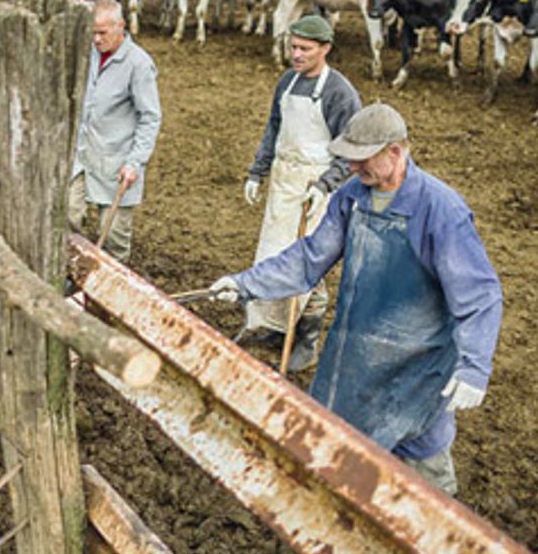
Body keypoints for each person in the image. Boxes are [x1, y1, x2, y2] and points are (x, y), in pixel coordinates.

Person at [209, 103, 501, 495]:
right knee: (337, 452)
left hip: (417, 367)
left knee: (422, 474)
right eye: (349, 160)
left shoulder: (440, 211)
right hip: (356, 355)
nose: (352, 169)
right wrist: (246, 283)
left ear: (395, 152)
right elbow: (310, 257)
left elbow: (479, 293)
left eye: (362, 160)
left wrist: (474, 367)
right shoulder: (353, 197)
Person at [242, 14, 362, 371]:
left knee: (306, 264)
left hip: (317, 188)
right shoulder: (287, 83)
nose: (296, 54)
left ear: (325, 49)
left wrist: (325, 185)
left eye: (305, 49)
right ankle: (276, 328)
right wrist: (257, 171)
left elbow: (351, 151)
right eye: (293, 47)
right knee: (273, 256)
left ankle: (306, 340)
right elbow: (273, 129)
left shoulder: (340, 93)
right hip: (284, 180)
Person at [69, 0, 162, 264]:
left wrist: (135, 162)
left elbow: (150, 117)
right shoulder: (87, 55)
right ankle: (68, 281)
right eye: (93, 32)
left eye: (102, 33)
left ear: (120, 26)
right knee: (68, 217)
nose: (96, 39)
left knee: (113, 236)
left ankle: (108, 296)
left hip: (116, 163)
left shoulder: (138, 64)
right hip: (82, 155)